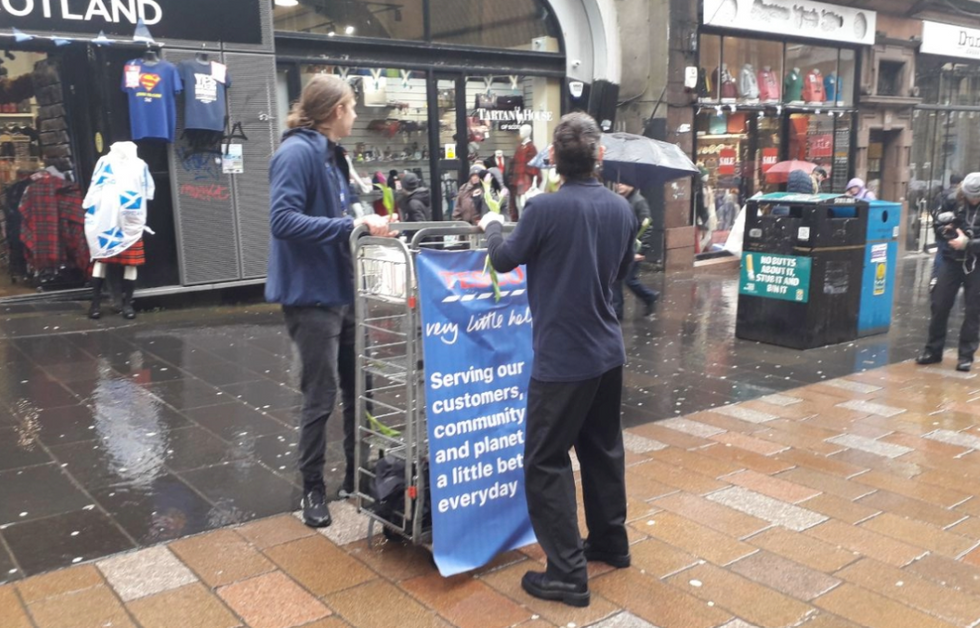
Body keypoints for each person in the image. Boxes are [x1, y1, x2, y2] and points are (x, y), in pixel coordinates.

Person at [478, 112, 636, 608]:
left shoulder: (544, 210)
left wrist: (491, 225)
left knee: (545, 459)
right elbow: (624, 270)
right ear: (598, 156)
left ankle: (567, 572)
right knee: (602, 448)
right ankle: (611, 541)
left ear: (553, 160)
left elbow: (503, 258)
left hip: (564, 357)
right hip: (608, 349)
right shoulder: (621, 209)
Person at [266, 74, 395, 528]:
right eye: (353, 107)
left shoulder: (332, 155)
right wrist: (348, 228)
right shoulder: (296, 152)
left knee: (361, 389)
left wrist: (368, 223)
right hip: (311, 295)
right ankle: (313, 492)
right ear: (336, 110)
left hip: (342, 288)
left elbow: (340, 216)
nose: (357, 115)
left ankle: (356, 478)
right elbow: (283, 220)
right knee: (319, 397)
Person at [917, 172, 980, 373]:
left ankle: (965, 356)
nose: (974, 200)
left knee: (973, 310)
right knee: (939, 303)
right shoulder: (951, 199)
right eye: (970, 196)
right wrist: (945, 229)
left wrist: (968, 243)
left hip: (976, 262)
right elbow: (937, 225)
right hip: (950, 259)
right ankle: (933, 350)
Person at [612, 182, 659, 319]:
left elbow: (647, 225)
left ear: (632, 185)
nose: (619, 186)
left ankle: (649, 296)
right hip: (622, 246)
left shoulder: (639, 201)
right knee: (617, 279)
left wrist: (642, 250)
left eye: (623, 183)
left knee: (628, 279)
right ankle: (617, 310)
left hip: (634, 247)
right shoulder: (620, 200)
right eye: (617, 183)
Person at [931, 174, 963, 290]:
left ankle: (935, 278)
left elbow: (933, 211)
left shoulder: (940, 195)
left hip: (939, 229)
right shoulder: (959, 197)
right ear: (960, 182)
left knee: (940, 253)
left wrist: (938, 226)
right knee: (949, 256)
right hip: (952, 232)